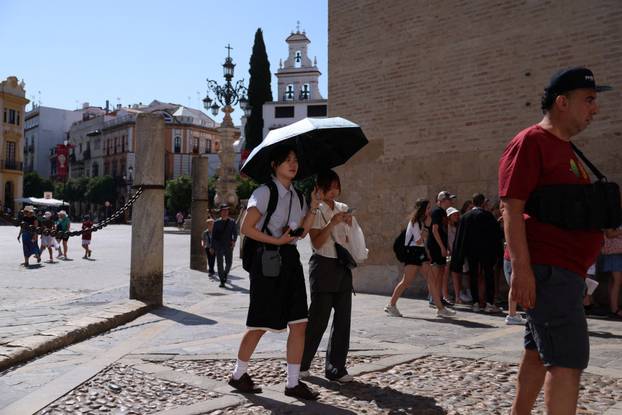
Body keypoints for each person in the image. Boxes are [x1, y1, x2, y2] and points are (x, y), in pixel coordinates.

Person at [499, 67, 611, 414]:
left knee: (537, 352)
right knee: (567, 361)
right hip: (548, 270)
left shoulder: (568, 149)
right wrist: (521, 270)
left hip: (562, 270)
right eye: (588, 100)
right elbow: (511, 206)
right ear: (562, 102)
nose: (595, 109)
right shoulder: (532, 141)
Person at [228, 145, 321, 400]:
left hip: (290, 259)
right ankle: (238, 375)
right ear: (274, 165)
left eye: (295, 160)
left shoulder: (299, 196)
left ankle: (293, 383)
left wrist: (313, 206)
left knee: (300, 322)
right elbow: (246, 227)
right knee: (260, 322)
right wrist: (276, 241)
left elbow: (303, 230)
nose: (293, 164)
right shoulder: (264, 192)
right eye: (287, 160)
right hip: (266, 259)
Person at [300, 170, 356, 382]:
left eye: (336, 187)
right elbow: (316, 242)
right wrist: (331, 223)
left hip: (342, 265)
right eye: (328, 188)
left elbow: (350, 238)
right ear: (319, 190)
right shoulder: (316, 210)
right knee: (318, 319)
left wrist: (350, 224)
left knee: (343, 319)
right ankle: (302, 363)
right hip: (323, 265)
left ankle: (336, 368)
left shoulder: (342, 207)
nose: (333, 192)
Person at [385, 198, 456, 318]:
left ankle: (441, 309)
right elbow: (418, 240)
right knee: (406, 281)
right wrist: (425, 234)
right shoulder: (415, 222)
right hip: (413, 253)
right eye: (428, 208)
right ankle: (391, 305)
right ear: (422, 209)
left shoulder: (420, 221)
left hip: (419, 252)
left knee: (431, 279)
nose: (430, 210)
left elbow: (423, 237)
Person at [452, 193, 503, 313]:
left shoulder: (465, 217)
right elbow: (495, 234)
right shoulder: (487, 215)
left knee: (473, 275)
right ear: (483, 203)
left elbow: (461, 237)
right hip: (486, 251)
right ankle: (489, 303)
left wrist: (460, 253)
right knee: (488, 275)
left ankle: (475, 303)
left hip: (471, 252)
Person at [426, 191, 456, 308]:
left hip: (440, 246)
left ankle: (438, 297)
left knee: (441, 272)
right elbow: (434, 230)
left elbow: (444, 231)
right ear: (442, 200)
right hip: (435, 247)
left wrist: (447, 246)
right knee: (436, 273)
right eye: (449, 199)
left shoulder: (443, 213)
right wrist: (442, 247)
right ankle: (433, 298)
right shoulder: (437, 212)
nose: (451, 201)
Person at [212, 204, 238, 287]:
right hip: (219, 245)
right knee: (220, 263)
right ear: (221, 212)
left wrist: (234, 241)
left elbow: (235, 233)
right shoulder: (216, 222)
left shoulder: (232, 222)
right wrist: (212, 247)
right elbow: (213, 235)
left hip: (228, 245)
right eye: (224, 210)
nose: (225, 212)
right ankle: (222, 280)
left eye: (227, 210)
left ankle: (225, 273)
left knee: (229, 262)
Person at [601, 226, 622, 319]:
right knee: (616, 282)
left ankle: (614, 308)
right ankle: (614, 309)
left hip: (616, 253)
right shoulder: (614, 217)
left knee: (614, 281)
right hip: (615, 253)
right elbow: (609, 234)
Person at [445, 207, 463, 304]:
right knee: (445, 275)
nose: (457, 216)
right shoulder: (446, 227)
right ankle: (445, 295)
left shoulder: (457, 227)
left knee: (456, 274)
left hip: (455, 253)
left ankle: (457, 296)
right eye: (454, 215)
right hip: (449, 253)